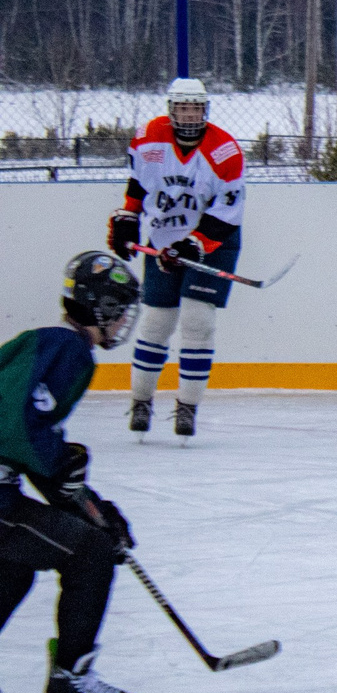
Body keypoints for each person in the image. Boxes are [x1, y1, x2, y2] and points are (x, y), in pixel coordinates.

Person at [0, 252, 146, 693]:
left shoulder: (52, 347)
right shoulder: (66, 349)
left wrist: (90, 505)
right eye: (120, 307)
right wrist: (71, 483)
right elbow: (16, 428)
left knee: (18, 561)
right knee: (90, 551)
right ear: (100, 307)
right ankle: (70, 682)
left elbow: (29, 442)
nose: (125, 318)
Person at [111, 76, 248, 439]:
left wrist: (195, 243)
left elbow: (227, 213)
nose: (189, 115)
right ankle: (141, 401)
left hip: (214, 242)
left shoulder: (225, 152)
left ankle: (187, 408)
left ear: (206, 110)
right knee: (156, 322)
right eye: (182, 108)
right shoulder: (147, 138)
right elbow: (138, 184)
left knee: (197, 321)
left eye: (195, 108)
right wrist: (128, 217)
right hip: (164, 239)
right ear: (171, 110)